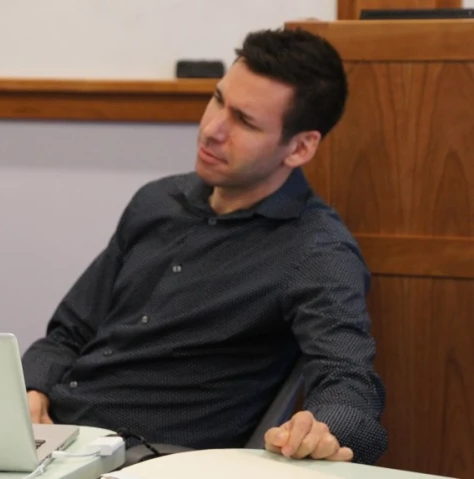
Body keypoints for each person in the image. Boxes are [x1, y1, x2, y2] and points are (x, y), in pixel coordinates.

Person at [21, 28, 388, 465]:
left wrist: (324, 428)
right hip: (60, 441)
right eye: (218, 100)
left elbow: (349, 381)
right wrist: (33, 388)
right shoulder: (157, 201)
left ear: (300, 147)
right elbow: (70, 332)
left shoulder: (316, 251)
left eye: (245, 122)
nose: (212, 129)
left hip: (151, 459)